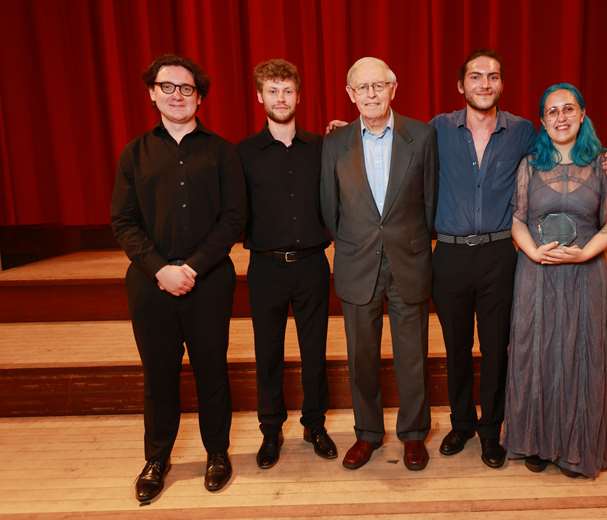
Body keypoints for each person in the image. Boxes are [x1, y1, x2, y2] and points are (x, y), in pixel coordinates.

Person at [430, 49, 607, 469]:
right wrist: (346, 130)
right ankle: (461, 423)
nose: (485, 84)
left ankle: (490, 431)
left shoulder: (520, 131)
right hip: (449, 253)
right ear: (460, 85)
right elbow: (398, 145)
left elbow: (575, 154)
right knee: (456, 347)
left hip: (500, 254)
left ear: (501, 84)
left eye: (493, 76)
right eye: (476, 77)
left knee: (498, 347)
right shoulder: (437, 129)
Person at [111, 54, 246, 503]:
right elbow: (124, 222)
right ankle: (157, 458)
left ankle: (217, 454)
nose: (176, 95)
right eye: (167, 87)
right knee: (159, 375)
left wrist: (192, 268)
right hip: (151, 285)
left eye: (186, 89)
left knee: (212, 372)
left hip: (209, 282)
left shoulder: (222, 151)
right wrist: (160, 269)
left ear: (200, 97)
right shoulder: (135, 153)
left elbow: (233, 219)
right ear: (152, 92)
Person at [320, 57, 437, 471]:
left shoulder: (422, 137)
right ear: (351, 94)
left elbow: (431, 201)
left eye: (378, 86)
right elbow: (328, 209)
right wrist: (355, 242)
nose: (371, 94)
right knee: (361, 358)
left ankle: (413, 434)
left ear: (393, 88)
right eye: (362, 88)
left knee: (412, 356)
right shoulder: (334, 143)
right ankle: (367, 434)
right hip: (356, 263)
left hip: (409, 261)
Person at [503, 83, 607, 479]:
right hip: (536, 274)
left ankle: (576, 449)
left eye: (568, 109)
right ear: (542, 120)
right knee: (536, 356)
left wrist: (588, 252)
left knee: (580, 356)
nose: (561, 117)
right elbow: (517, 219)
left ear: (583, 114)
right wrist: (532, 251)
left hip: (585, 273)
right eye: (552, 111)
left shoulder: (602, 164)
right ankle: (536, 442)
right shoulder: (529, 164)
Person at [237, 59, 336, 470]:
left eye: (287, 91)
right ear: (260, 97)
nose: (281, 98)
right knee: (268, 352)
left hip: (312, 263)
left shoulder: (322, 148)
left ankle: (314, 424)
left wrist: (345, 135)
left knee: (315, 351)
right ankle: (270, 429)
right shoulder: (242, 153)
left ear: (299, 95)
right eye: (272, 91)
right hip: (266, 267)